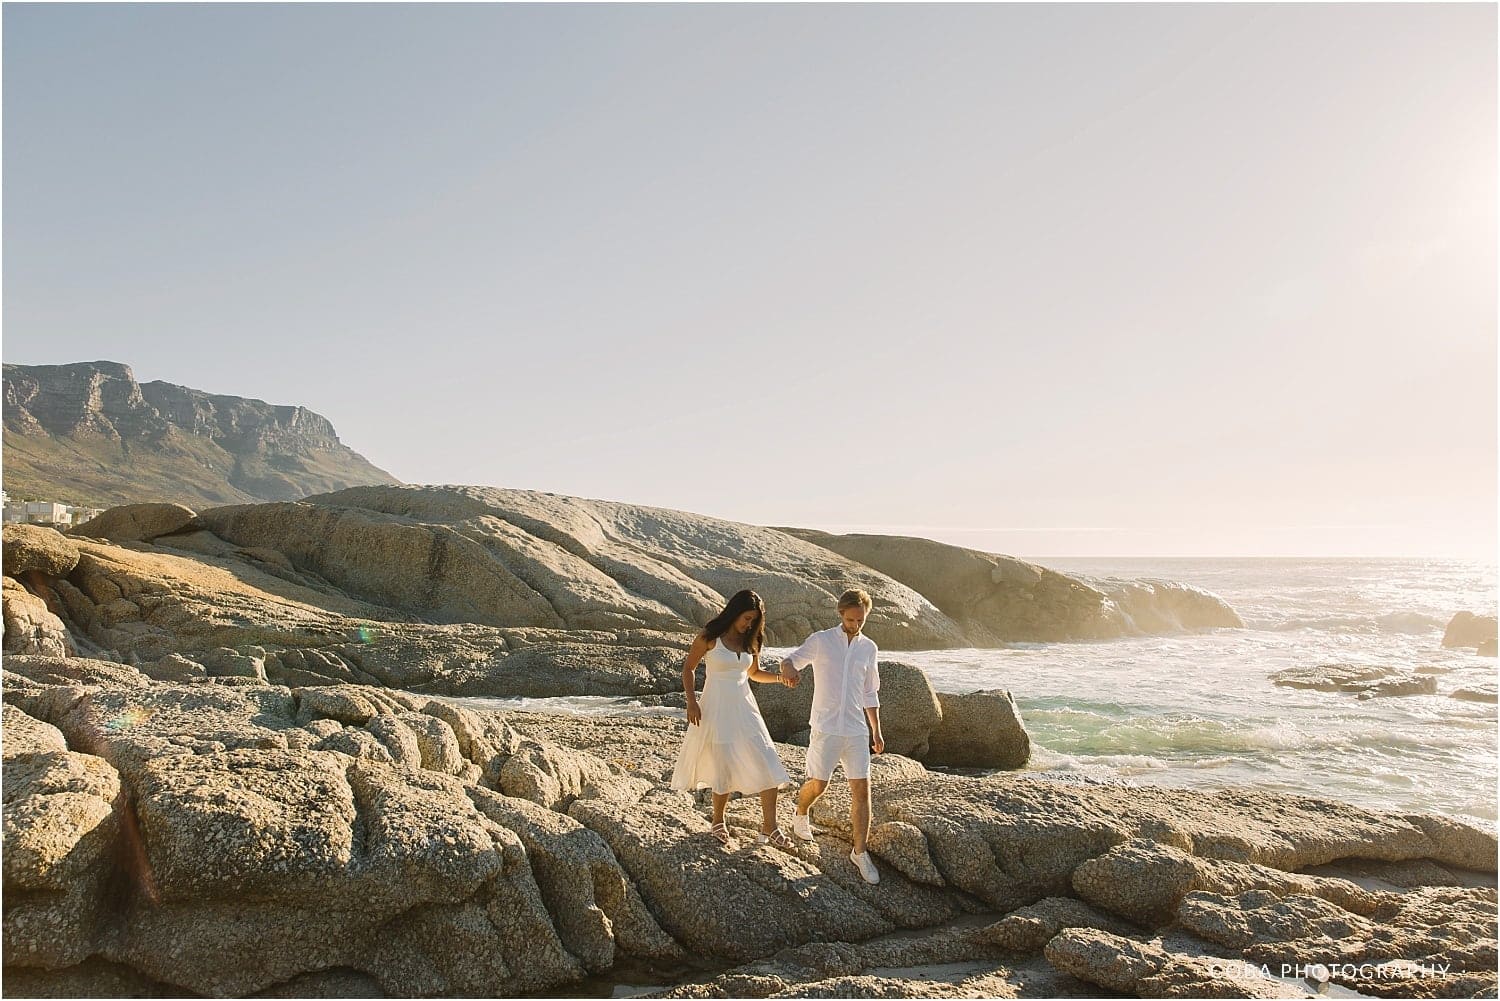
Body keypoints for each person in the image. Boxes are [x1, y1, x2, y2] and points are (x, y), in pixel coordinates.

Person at [670, 589, 800, 850]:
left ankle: (770, 827)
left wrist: (779, 678)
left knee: (768, 759)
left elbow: (754, 673)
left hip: (745, 706)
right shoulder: (710, 636)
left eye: (754, 620)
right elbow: (689, 668)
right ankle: (718, 821)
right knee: (723, 764)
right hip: (716, 707)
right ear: (735, 611)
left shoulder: (751, 640)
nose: (749, 624)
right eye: (746, 618)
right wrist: (692, 702)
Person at [780, 588, 885, 884]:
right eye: (851, 619)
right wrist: (788, 672)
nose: (855, 625)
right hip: (825, 728)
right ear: (841, 615)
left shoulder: (869, 648)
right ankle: (800, 813)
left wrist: (876, 731)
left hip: (855, 731)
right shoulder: (822, 641)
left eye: (860, 620)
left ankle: (860, 852)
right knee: (818, 785)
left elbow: (869, 692)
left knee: (862, 791)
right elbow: (790, 661)